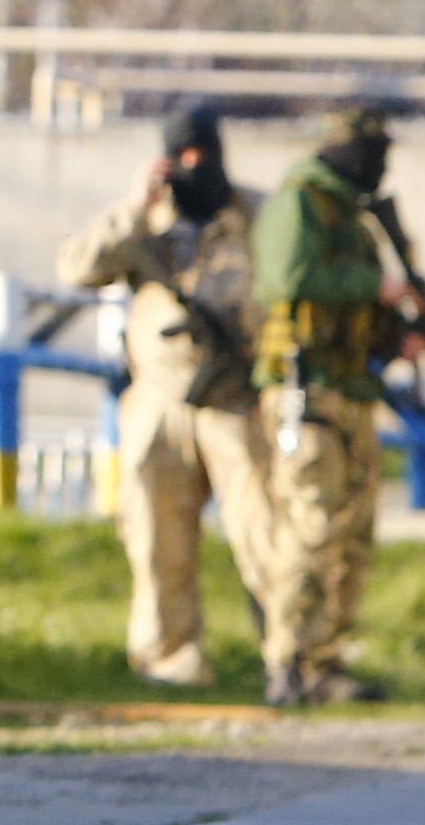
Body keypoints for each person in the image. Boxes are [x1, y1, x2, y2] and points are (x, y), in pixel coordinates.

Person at [56, 105, 276, 688]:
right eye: (182, 156)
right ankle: (168, 656)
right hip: (159, 401)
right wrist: (135, 207)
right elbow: (78, 268)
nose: (194, 166)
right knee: (157, 537)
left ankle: (291, 654)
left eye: (204, 154)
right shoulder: (142, 220)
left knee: (266, 534)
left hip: (238, 397)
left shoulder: (255, 214)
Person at [249, 104, 406, 709]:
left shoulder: (352, 215)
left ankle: (325, 660)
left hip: (351, 390)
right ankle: (286, 659)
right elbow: (288, 279)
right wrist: (376, 289)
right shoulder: (299, 204)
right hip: (304, 390)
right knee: (310, 526)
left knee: (353, 534)